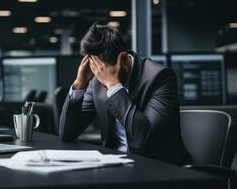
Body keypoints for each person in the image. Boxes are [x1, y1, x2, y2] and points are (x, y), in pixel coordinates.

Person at [59, 23, 189, 165]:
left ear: (123, 58)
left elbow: (145, 137)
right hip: (114, 165)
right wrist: (79, 84)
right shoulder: (97, 80)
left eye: (103, 69)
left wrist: (113, 86)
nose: (99, 74)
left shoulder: (160, 77)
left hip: (157, 166)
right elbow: (67, 133)